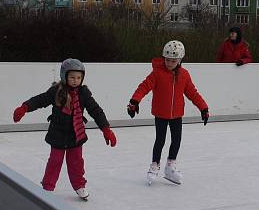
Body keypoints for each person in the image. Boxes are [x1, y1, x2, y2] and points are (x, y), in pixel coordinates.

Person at [12, 58, 117, 201]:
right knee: (55, 161)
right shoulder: (57, 91)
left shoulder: (83, 93)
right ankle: (47, 187)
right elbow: (40, 100)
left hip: (76, 135)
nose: (75, 80)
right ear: (64, 76)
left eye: (79, 77)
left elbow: (96, 111)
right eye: (72, 77)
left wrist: (106, 129)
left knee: (76, 163)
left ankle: (79, 185)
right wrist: (25, 107)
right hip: (58, 133)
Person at [127, 40, 209, 186]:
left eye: (173, 60)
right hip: (161, 114)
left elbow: (192, 93)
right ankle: (155, 165)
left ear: (180, 60)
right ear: (163, 57)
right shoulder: (157, 73)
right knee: (160, 140)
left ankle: (170, 166)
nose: (170, 63)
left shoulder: (184, 75)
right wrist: (134, 101)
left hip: (177, 114)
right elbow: (144, 87)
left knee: (176, 140)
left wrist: (203, 108)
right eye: (167, 60)